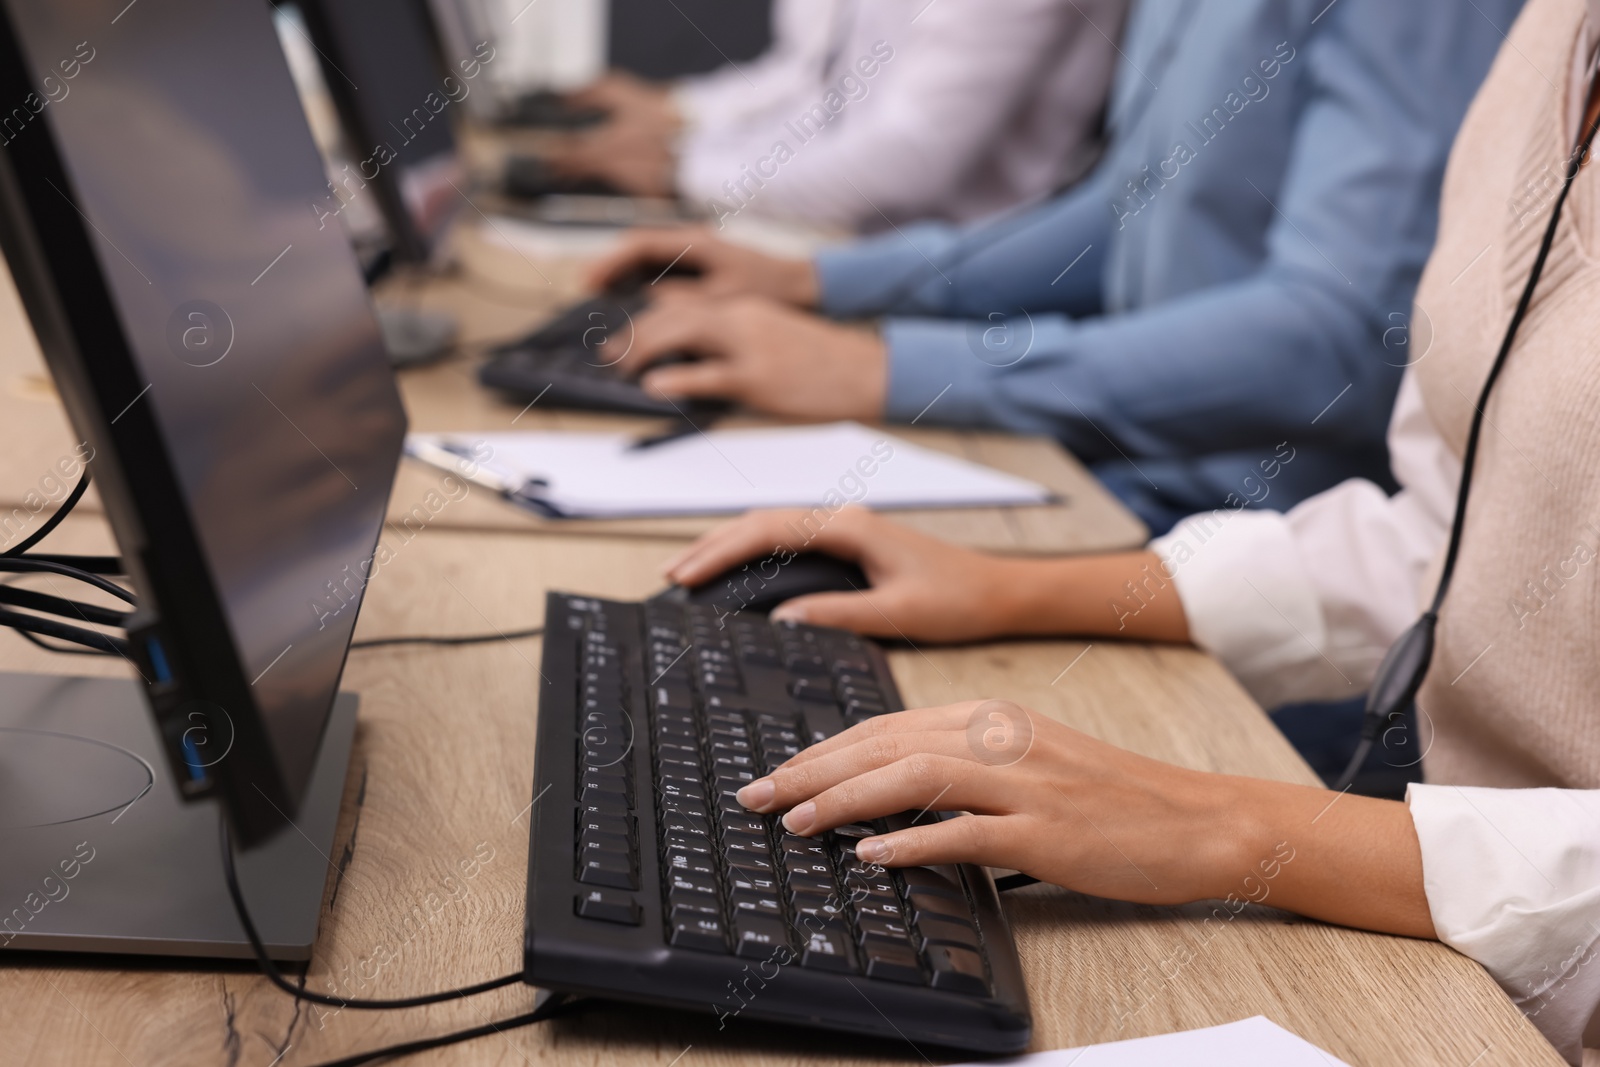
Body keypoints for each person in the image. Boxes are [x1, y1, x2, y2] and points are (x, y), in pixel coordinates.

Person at [649, 0, 1600, 1060]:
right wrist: (1015, 588)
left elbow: (1330, 331)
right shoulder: (1553, 39)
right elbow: (1454, 543)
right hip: (1461, 908)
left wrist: (1231, 824)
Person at [590, 0, 1525, 534]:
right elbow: (1128, 209)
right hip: (1117, 472)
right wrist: (827, 287)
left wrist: (888, 368)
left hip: (1252, 540)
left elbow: (1340, 342)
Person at [543, 0, 1126, 229]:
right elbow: (815, 84)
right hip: (844, 238)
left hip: (948, 273)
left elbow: (909, 158)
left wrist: (686, 174)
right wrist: (681, 122)